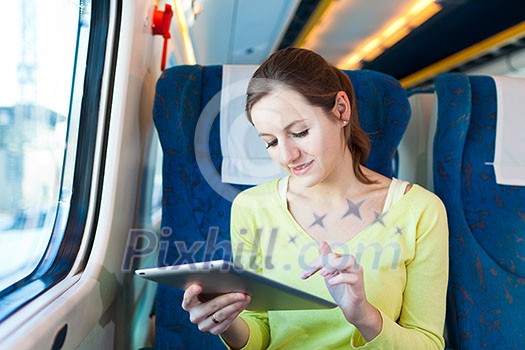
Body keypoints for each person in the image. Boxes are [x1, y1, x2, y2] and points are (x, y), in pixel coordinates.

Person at [182, 47, 448, 349]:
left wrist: (365, 317)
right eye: (270, 142)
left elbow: (428, 343)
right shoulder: (251, 208)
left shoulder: (419, 211)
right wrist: (226, 325)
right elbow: (261, 330)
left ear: (341, 110)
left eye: (299, 132)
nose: (287, 156)